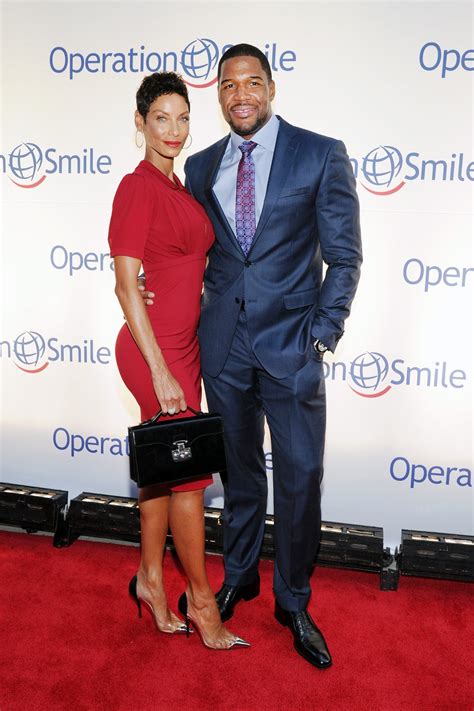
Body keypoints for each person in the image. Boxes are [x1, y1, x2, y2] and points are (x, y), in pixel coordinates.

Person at [141, 44, 362, 668]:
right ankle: (239, 575)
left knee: (300, 477)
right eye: (229, 85)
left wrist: (323, 332)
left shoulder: (319, 153)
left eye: (253, 82)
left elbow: (345, 256)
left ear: (270, 88)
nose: (241, 94)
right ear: (219, 94)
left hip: (293, 346)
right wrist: (150, 284)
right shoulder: (201, 165)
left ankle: (293, 600)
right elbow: (188, 248)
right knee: (239, 476)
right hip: (224, 348)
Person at [108, 71, 249, 650]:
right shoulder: (136, 187)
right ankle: (203, 604)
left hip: (183, 349)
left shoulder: (182, 186)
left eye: (183, 118)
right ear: (140, 123)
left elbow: (181, 268)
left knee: (163, 476)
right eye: (161, 118)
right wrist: (161, 370)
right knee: (190, 482)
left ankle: (149, 579)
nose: (174, 130)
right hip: (154, 355)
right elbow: (125, 285)